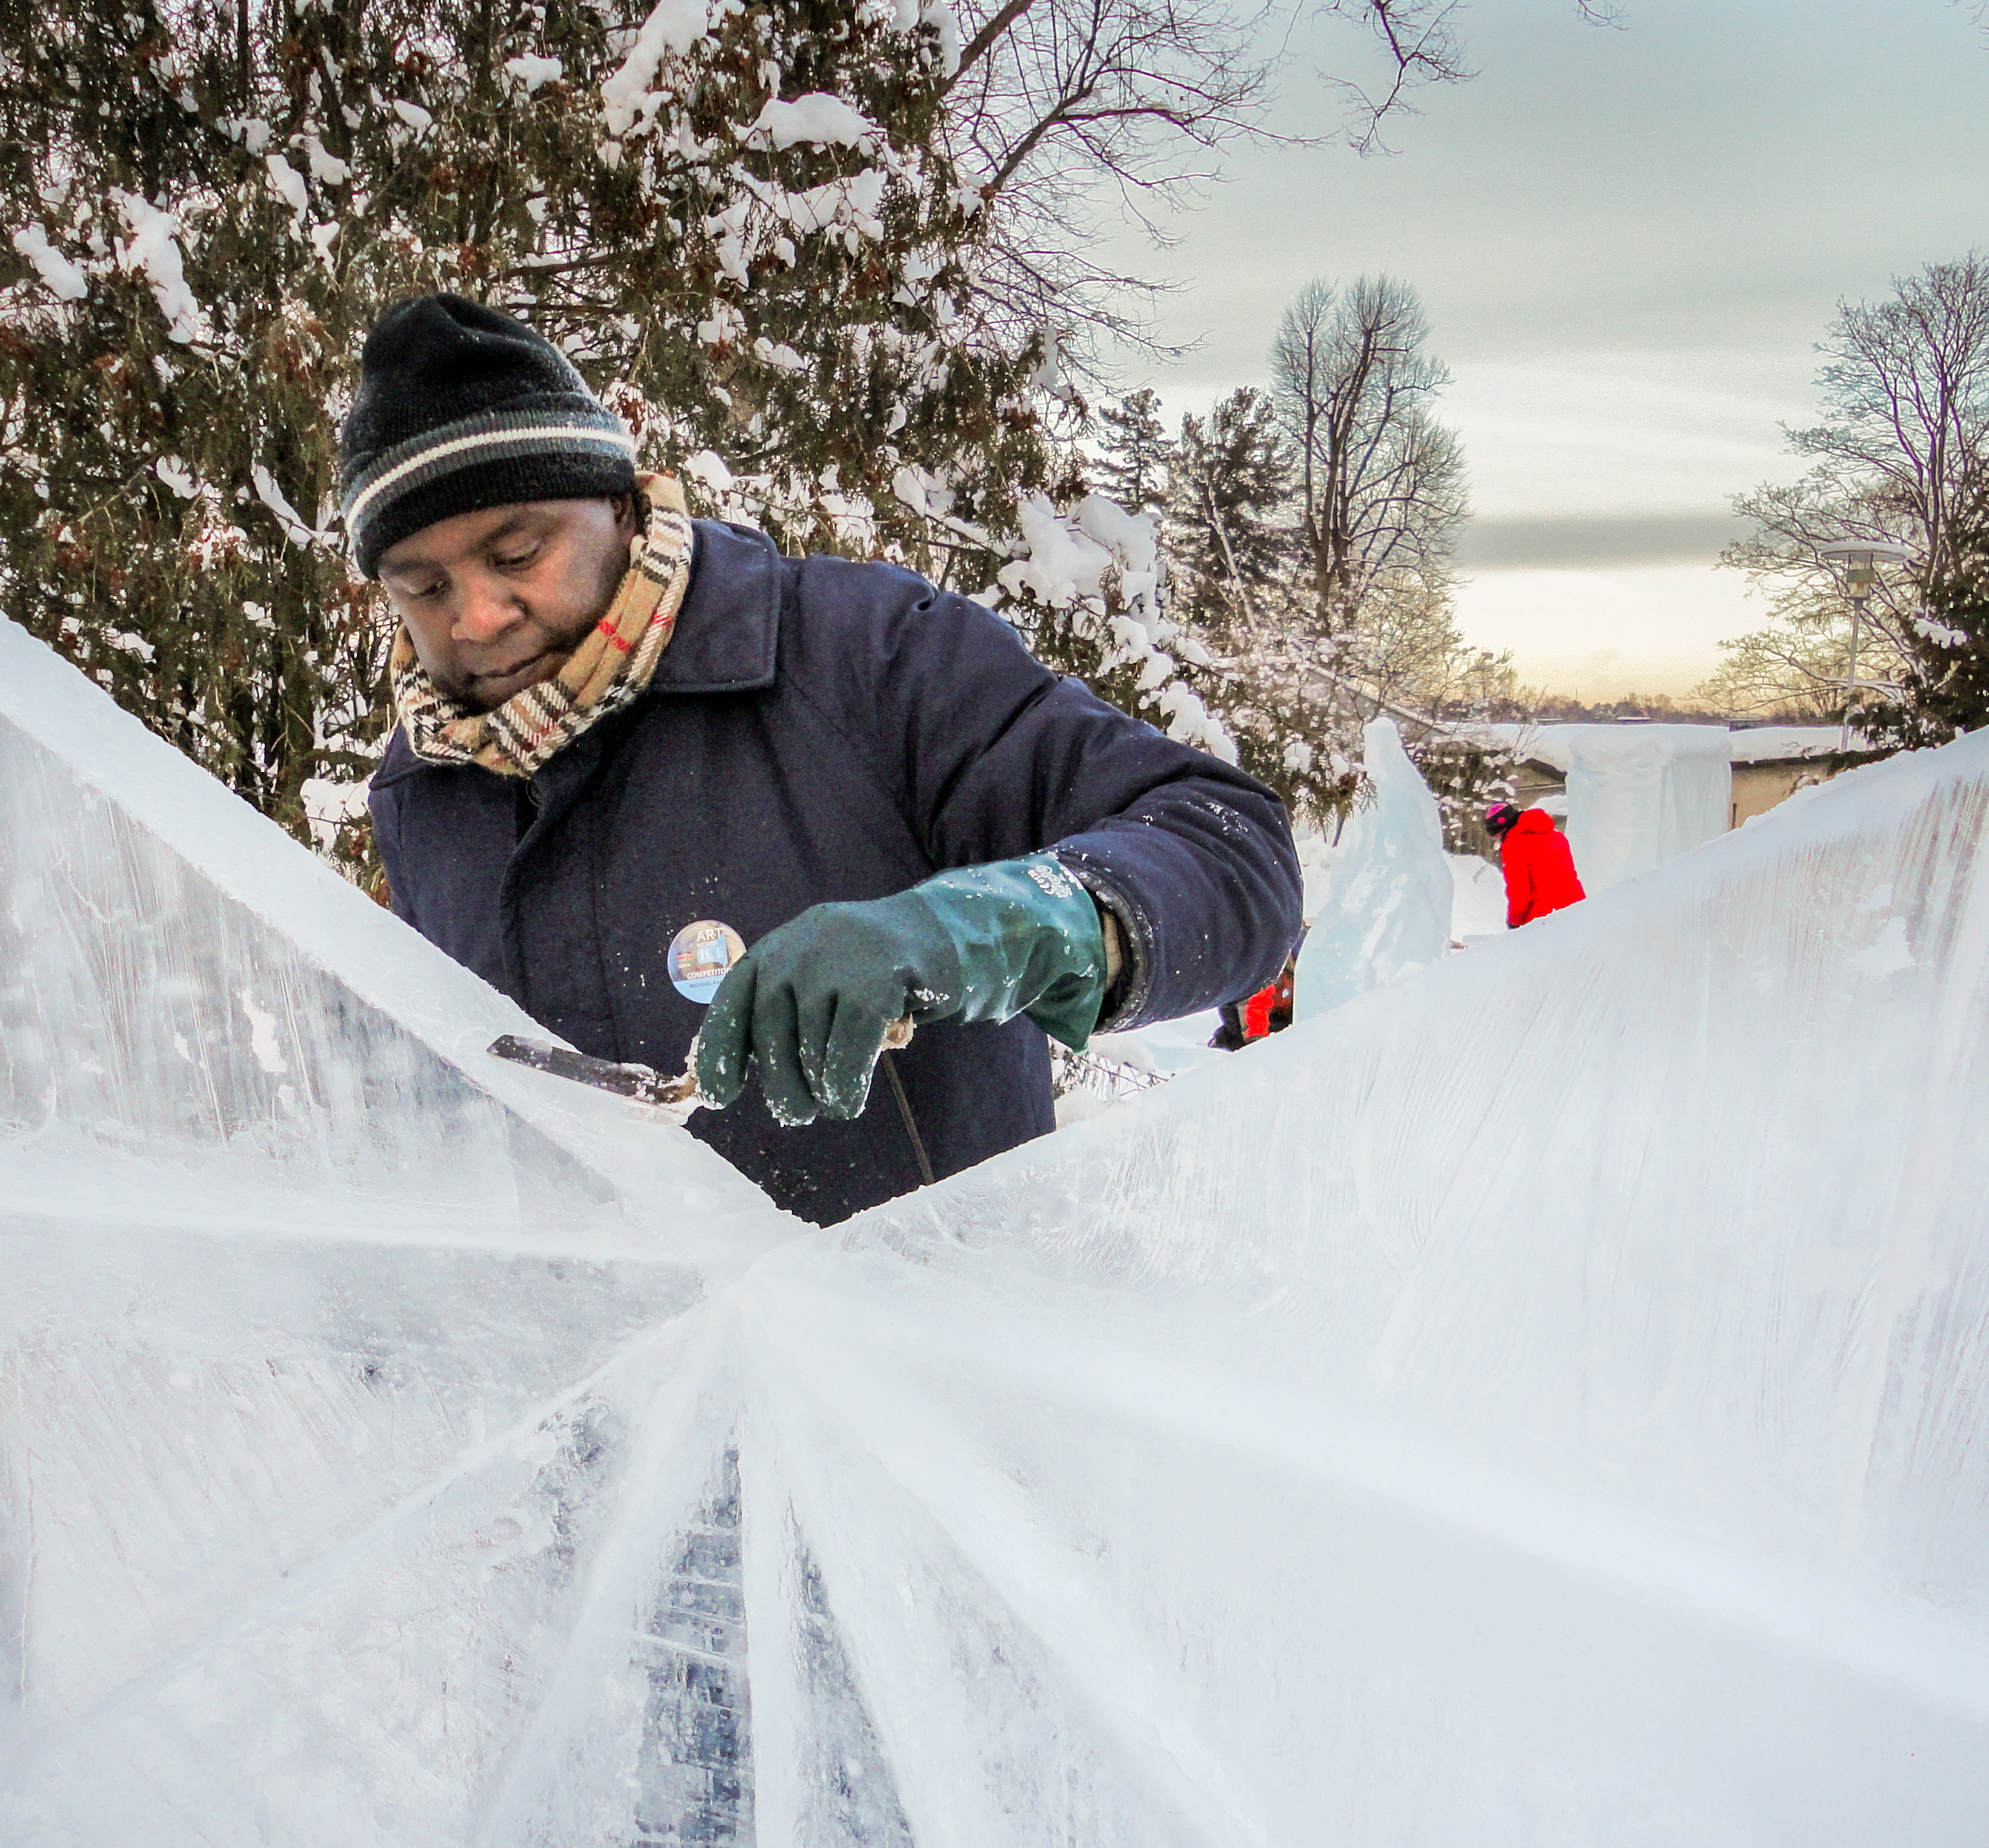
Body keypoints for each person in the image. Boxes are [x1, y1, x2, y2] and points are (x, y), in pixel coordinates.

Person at [352, 295, 1302, 1224]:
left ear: (616, 503)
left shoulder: (863, 656)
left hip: (917, 1355)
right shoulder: (423, 790)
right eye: (423, 586)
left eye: (517, 553)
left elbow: (1232, 850)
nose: (474, 618)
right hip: (621, 1371)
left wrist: (991, 927)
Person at [1487, 800, 1586, 927]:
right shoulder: (1556, 836)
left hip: (1546, 916)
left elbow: (1519, 892)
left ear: (1503, 828)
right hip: (1578, 906)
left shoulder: (1514, 846)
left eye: (1497, 835)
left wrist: (1515, 921)